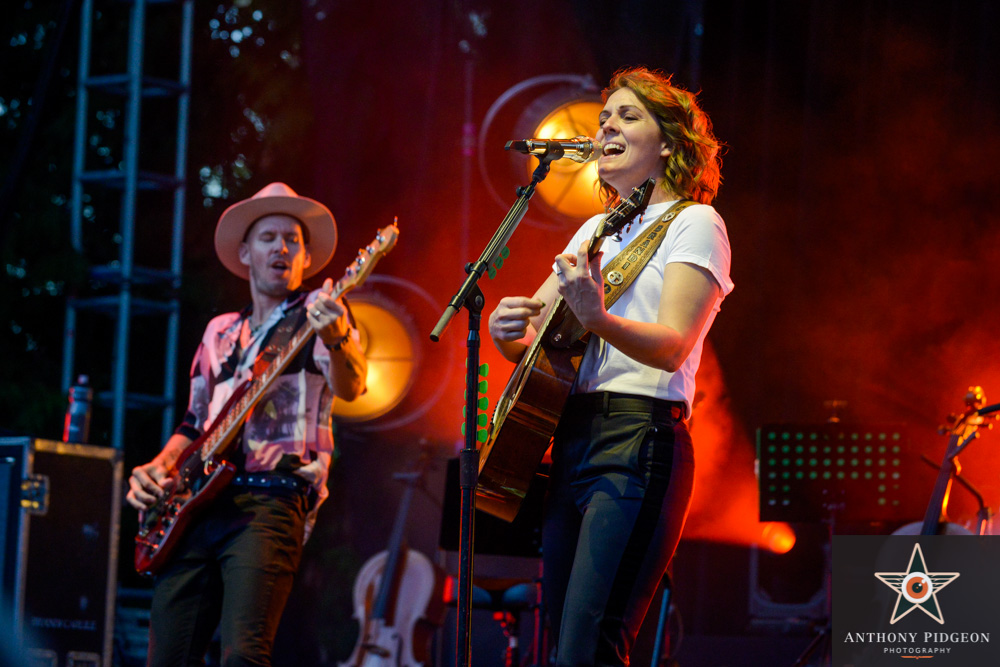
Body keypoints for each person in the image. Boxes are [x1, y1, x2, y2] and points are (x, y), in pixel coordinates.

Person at [487, 67, 733, 666]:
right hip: (571, 439)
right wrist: (505, 332)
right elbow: (540, 342)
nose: (606, 127)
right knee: (559, 650)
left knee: (589, 649)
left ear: (669, 143)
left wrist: (595, 317)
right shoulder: (597, 229)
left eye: (627, 116)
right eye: (604, 119)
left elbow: (673, 345)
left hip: (638, 441)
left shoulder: (695, 223)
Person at [126, 182, 367, 667]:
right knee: (165, 656)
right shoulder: (220, 330)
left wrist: (337, 331)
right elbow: (195, 421)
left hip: (271, 500)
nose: (281, 247)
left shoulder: (318, 316)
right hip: (194, 506)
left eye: (292, 240)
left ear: (304, 258)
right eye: (268, 237)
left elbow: (352, 386)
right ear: (245, 253)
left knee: (243, 654)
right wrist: (155, 468)